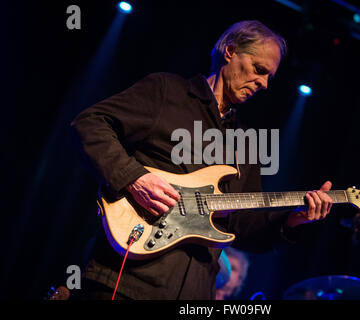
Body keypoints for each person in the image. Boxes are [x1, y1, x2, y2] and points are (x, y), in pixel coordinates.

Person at [71, 20, 333, 300]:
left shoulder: (245, 145)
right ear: (230, 51)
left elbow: (242, 227)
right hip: (126, 282)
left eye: (270, 77)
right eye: (259, 70)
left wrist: (293, 219)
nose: (265, 84)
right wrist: (134, 178)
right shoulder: (166, 91)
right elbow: (89, 124)